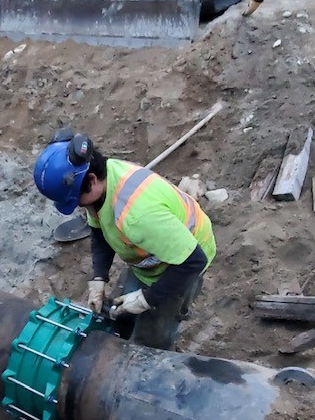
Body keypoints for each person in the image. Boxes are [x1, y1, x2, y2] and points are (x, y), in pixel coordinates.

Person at [32, 130, 217, 350]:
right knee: (122, 314)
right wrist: (99, 277)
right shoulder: (103, 181)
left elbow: (193, 261)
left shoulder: (137, 216)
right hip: (153, 255)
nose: (80, 207)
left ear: (91, 181)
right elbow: (99, 229)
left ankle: (152, 359)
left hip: (184, 261)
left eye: (77, 200)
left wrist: (147, 299)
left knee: (153, 333)